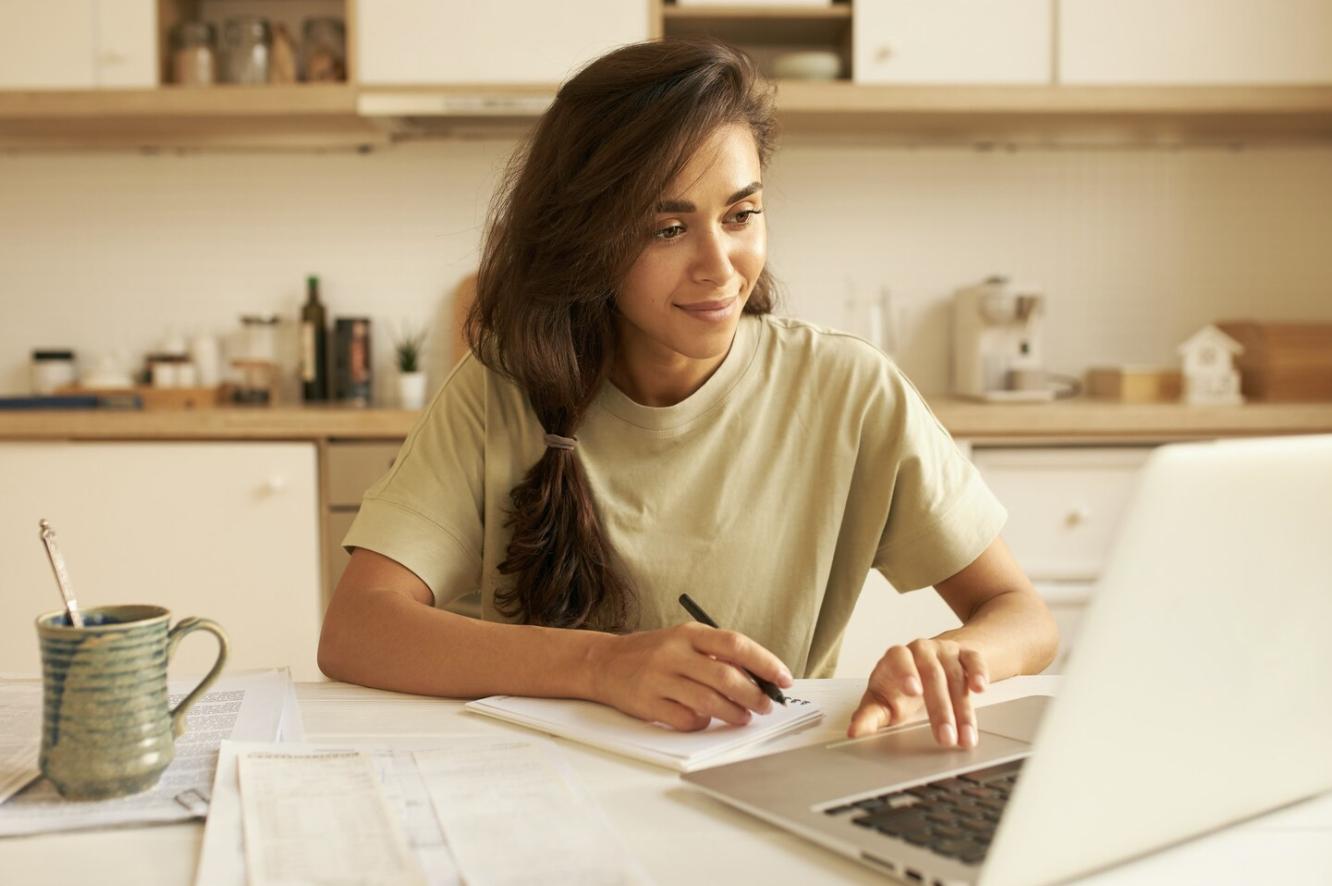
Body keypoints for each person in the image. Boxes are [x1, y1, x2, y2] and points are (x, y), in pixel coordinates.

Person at [318, 37, 1059, 750]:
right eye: (668, 228)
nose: (720, 266)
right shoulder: (503, 387)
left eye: (741, 215)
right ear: (587, 239)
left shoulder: (850, 391)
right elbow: (357, 629)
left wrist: (956, 657)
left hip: (747, 786)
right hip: (527, 790)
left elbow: (1023, 616)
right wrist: (600, 666)